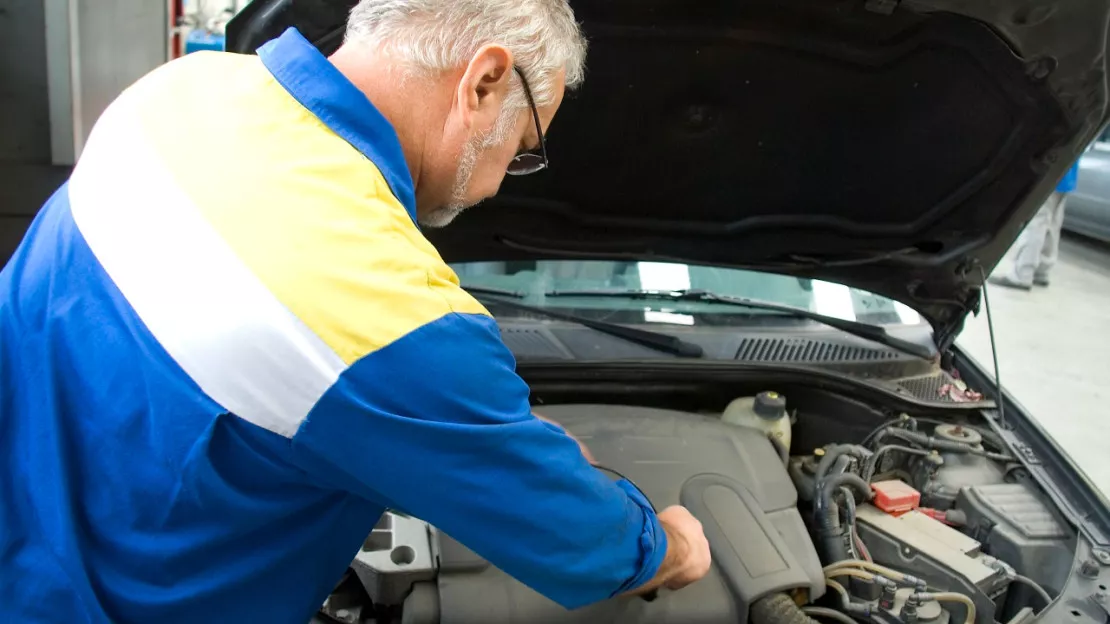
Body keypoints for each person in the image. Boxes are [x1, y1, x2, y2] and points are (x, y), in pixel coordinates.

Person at [0, 1, 711, 622]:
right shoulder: (394, 324)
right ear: (485, 81)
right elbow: (586, 542)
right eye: (523, 148)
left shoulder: (178, 92)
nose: (499, 185)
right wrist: (671, 544)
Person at [989, 160, 1080, 290]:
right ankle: (1042, 270)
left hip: (1050, 174)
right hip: (1066, 176)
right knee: (1052, 223)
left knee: (1034, 221)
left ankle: (1022, 274)